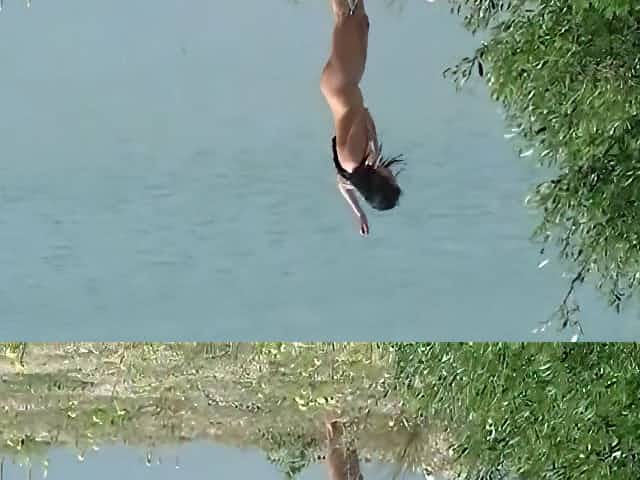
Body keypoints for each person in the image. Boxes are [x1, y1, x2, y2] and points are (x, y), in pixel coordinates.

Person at [320, 0, 405, 237]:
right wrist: (360, 214)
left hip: (342, 80)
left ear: (380, 183)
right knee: (362, 23)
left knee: (346, 18)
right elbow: (344, 188)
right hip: (347, 81)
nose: (393, 175)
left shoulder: (354, 158)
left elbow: (362, 114)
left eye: (391, 181)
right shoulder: (353, 173)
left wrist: (373, 142)